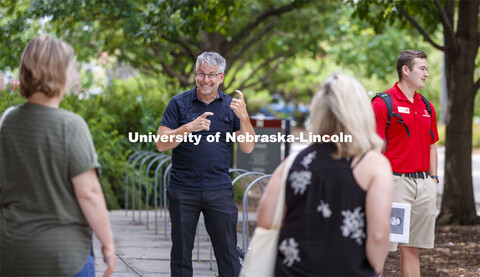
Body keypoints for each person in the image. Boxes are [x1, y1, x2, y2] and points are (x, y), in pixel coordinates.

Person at [0, 35, 116, 276]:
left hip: (11, 252)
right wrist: (108, 243)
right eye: (72, 67)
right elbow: (89, 193)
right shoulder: (71, 126)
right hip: (64, 257)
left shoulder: (7, 121)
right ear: (60, 73)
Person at [257, 74, 393, 276]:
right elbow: (379, 234)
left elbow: (265, 220)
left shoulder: (292, 163)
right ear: (362, 113)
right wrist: (376, 270)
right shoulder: (373, 165)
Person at [156, 51, 255, 276]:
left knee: (228, 252)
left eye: (212, 75)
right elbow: (161, 144)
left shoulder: (232, 106)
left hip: (219, 190)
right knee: (181, 253)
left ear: (221, 77)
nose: (206, 80)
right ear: (196, 74)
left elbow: (247, 147)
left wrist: (245, 118)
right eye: (201, 74)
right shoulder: (178, 103)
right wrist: (187, 128)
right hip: (183, 190)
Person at [372, 50, 439, 276]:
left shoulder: (427, 106)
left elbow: (432, 146)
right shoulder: (383, 103)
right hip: (394, 184)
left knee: (412, 249)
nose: (427, 74)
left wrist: (434, 179)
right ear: (406, 70)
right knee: (380, 246)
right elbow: (373, 148)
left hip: (424, 186)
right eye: (423, 68)